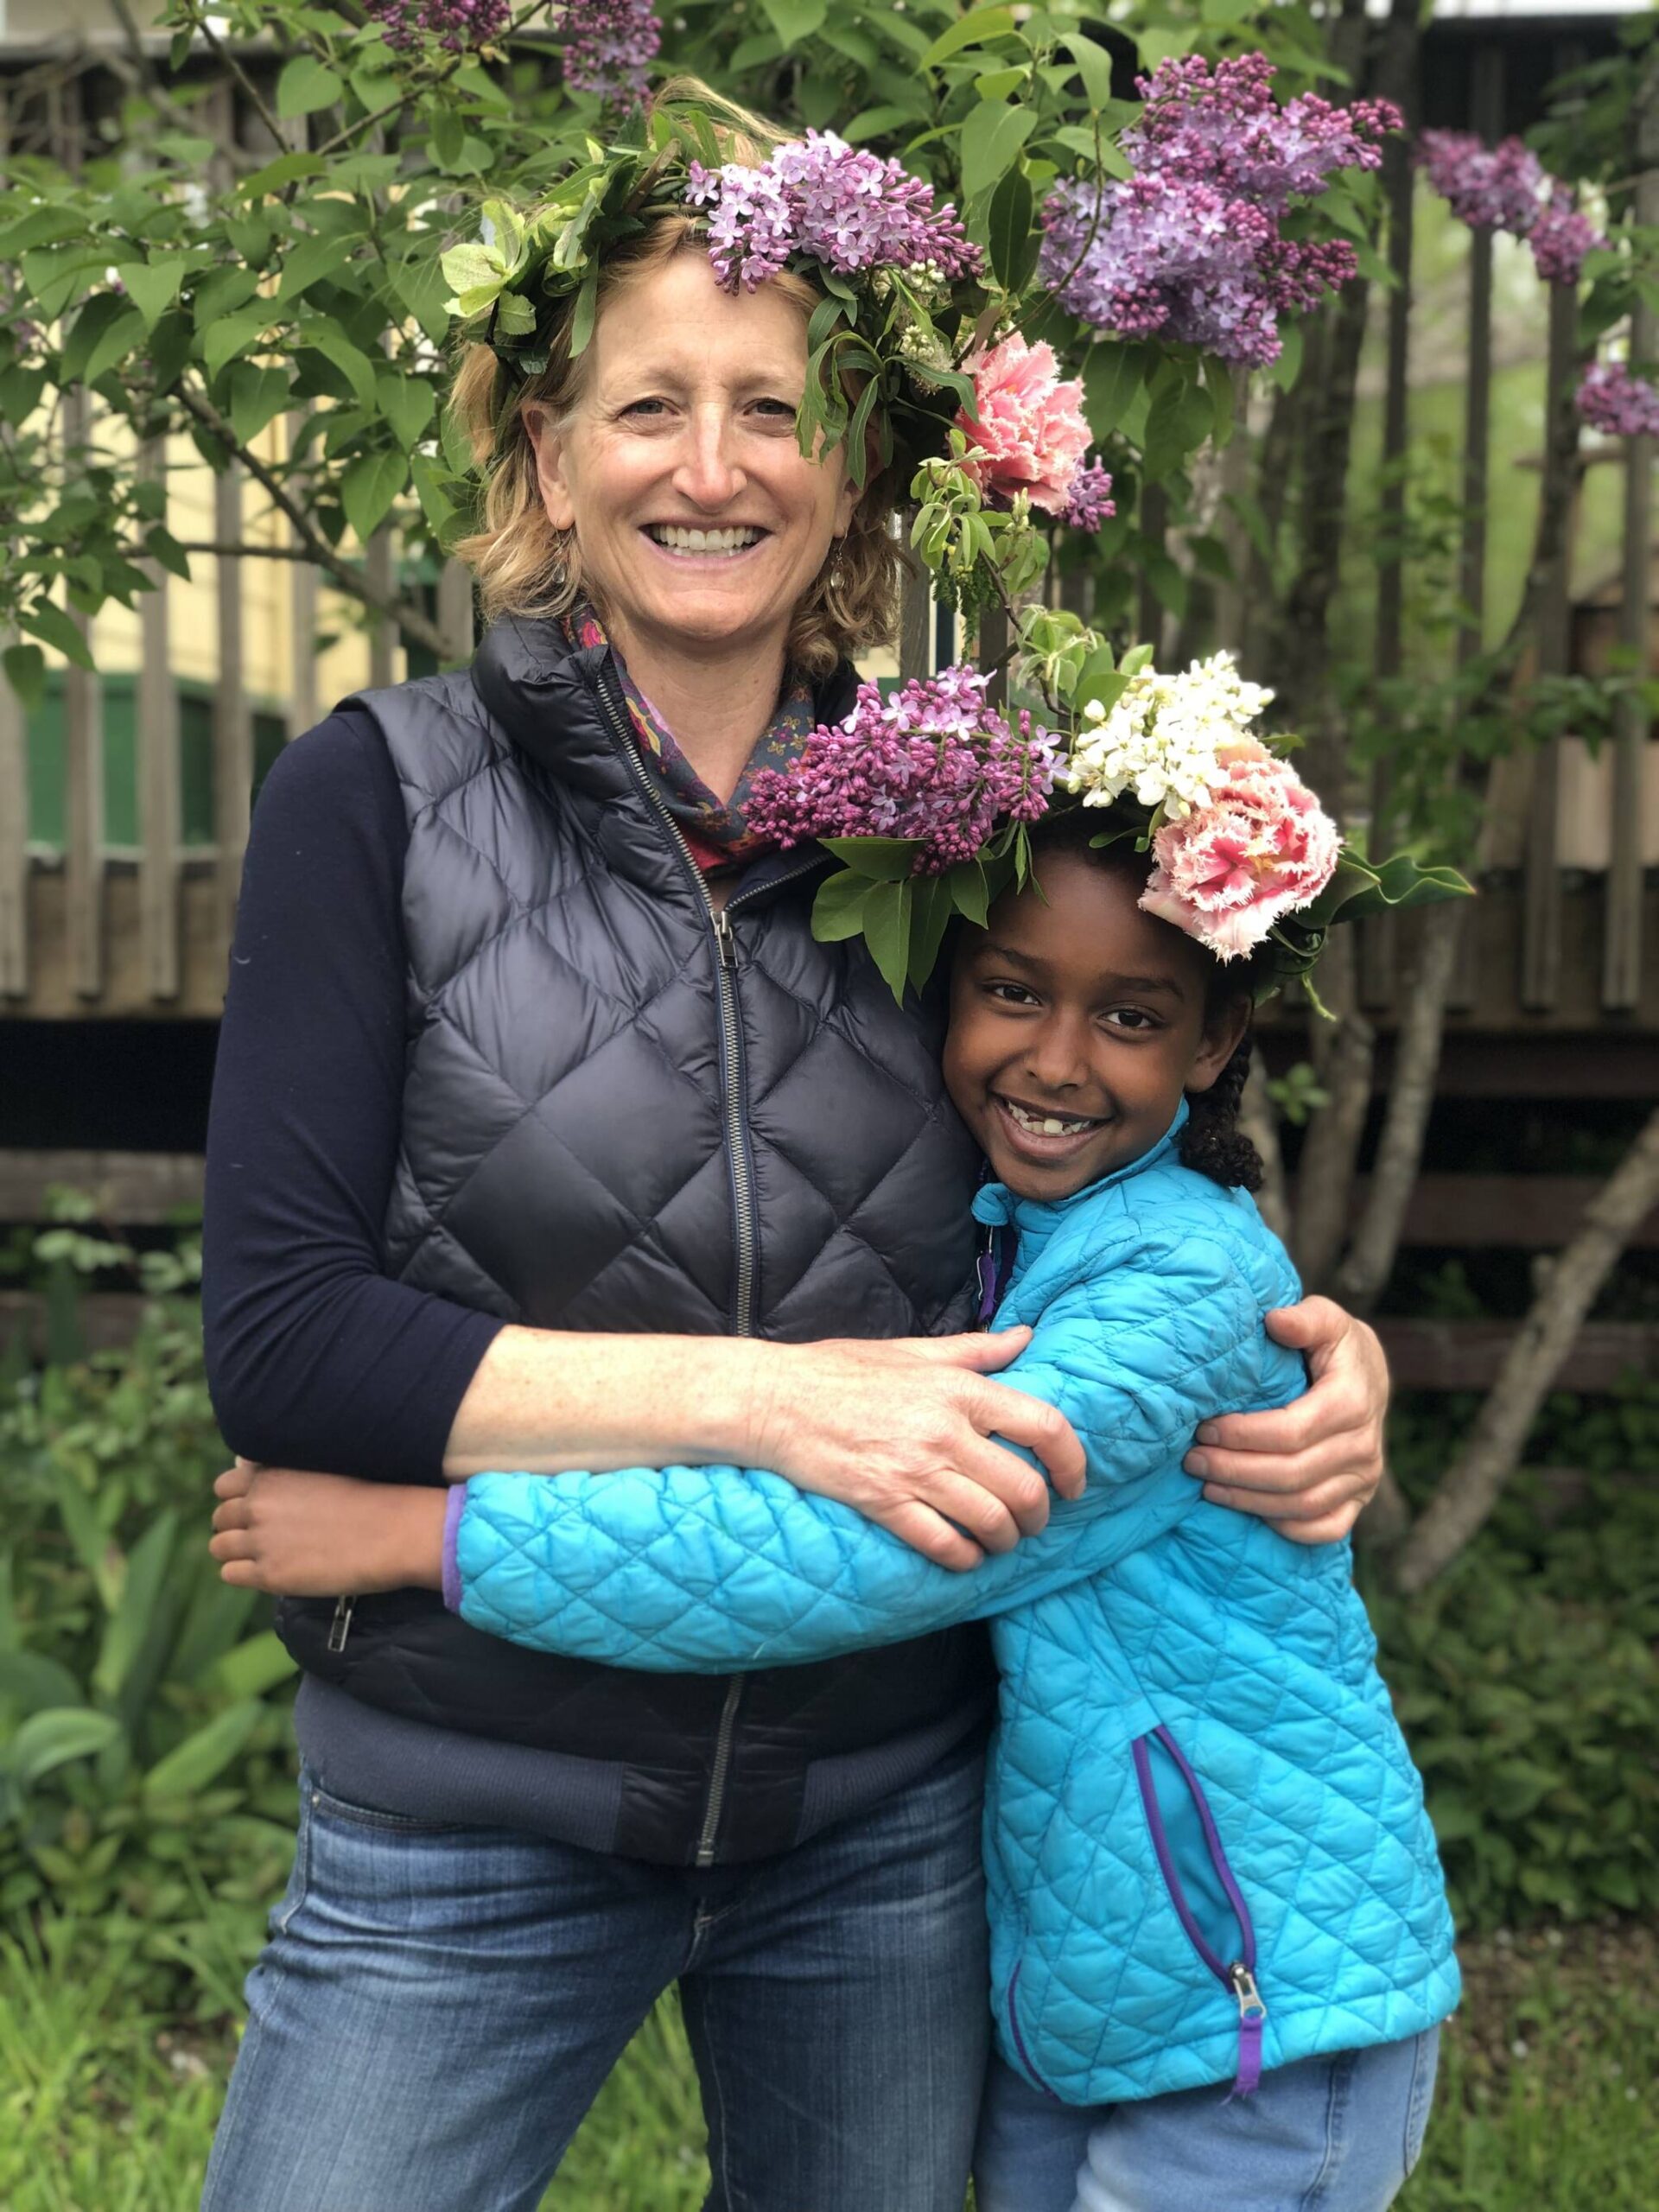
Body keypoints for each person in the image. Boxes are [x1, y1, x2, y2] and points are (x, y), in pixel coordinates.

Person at [198, 89, 1395, 2212]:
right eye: (648, 403)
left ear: (852, 475)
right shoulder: (374, 796)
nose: (713, 462)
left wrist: (1308, 1358)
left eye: (773, 406)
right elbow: (289, 1348)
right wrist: (779, 1400)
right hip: (473, 1801)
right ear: (550, 457)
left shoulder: (977, 805)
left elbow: (1102, 1154)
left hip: (887, 1820)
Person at [213, 807, 1458, 2212]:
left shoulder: (1174, 1285)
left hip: (1256, 1993)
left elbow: (862, 1546)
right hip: (1108, 1977)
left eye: (1128, 1016)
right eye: (1010, 992)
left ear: (1216, 1042)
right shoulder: (1016, 1216)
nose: (1055, 1058)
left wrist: (423, 1537)